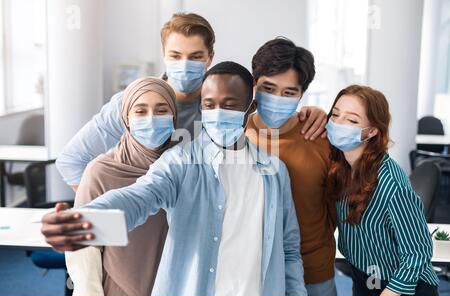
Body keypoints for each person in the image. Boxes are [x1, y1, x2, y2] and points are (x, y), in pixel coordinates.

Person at [43, 62, 307, 296]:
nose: (217, 113)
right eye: (208, 104)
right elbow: (139, 197)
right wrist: (86, 222)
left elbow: (288, 247)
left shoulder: (274, 171)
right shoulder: (179, 160)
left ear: (250, 107)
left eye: (229, 105)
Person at [56, 12, 327, 193]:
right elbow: (71, 160)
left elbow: (269, 109)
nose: (184, 65)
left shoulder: (224, 108)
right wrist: (103, 212)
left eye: (195, 56)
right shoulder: (132, 104)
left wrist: (310, 113)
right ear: (163, 54)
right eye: (175, 55)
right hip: (141, 223)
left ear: (210, 57)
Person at [64, 77, 177, 296]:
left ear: (174, 115)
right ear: (126, 117)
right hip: (116, 289)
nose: (152, 119)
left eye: (161, 110)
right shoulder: (101, 172)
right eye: (140, 111)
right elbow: (84, 249)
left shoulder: (183, 167)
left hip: (175, 288)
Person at [326, 84, 439, 296]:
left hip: (404, 286)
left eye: (351, 120)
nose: (338, 124)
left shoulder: (391, 184)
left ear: (372, 131)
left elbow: (417, 253)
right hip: (367, 274)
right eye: (335, 115)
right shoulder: (341, 166)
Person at [246, 38, 337, 296]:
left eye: (289, 92)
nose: (277, 99)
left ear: (302, 94)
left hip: (314, 275)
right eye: (268, 88)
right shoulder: (235, 134)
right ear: (254, 84)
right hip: (252, 275)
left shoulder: (320, 137)